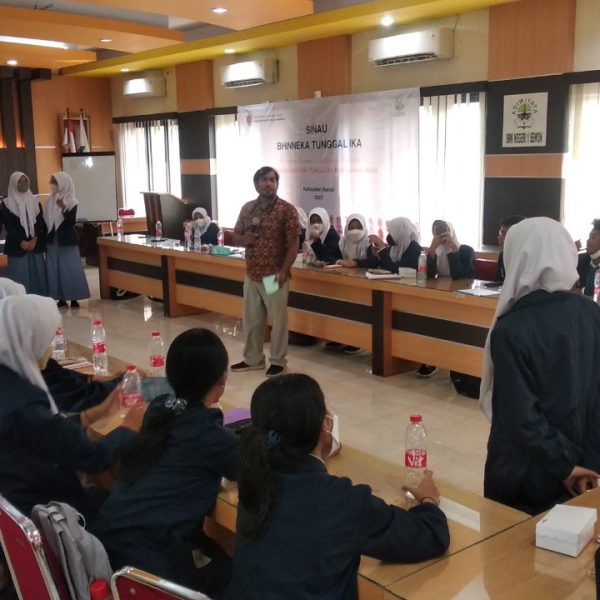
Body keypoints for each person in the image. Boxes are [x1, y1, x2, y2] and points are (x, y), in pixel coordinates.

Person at [226, 374, 449, 599]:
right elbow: (429, 536)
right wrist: (428, 501)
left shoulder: (254, 481)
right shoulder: (344, 501)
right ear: (323, 427)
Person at [92, 329, 238, 597]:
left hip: (105, 550)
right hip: (150, 566)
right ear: (222, 379)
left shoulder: (158, 410)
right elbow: (257, 471)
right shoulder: (210, 436)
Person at [480, 217, 600, 515]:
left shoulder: (511, 328)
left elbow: (522, 417)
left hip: (525, 474)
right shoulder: (592, 314)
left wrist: (565, 466)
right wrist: (587, 463)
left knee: (514, 542)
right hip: (584, 469)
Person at [0, 294, 144, 518]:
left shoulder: (8, 384)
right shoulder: (24, 401)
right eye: (46, 340)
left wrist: (91, 415)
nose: (48, 349)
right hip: (52, 512)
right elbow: (93, 458)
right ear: (28, 339)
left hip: (19, 498)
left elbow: (46, 433)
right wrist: (128, 428)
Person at [231, 166, 299, 377]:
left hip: (274, 276)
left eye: (272, 180)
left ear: (277, 183)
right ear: (256, 184)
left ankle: (278, 361)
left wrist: (283, 272)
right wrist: (244, 239)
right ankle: (253, 359)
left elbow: (293, 244)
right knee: (252, 320)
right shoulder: (248, 208)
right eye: (264, 180)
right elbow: (236, 235)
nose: (269, 183)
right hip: (252, 274)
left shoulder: (286, 210)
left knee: (278, 321)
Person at [44, 172, 90, 309]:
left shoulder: (72, 201)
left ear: (62, 183)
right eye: (52, 182)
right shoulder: (49, 200)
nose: (52, 185)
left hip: (67, 240)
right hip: (52, 239)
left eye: (54, 182)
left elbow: (71, 221)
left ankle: (74, 298)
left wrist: (63, 207)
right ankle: (61, 298)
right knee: (56, 269)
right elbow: (45, 220)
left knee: (70, 269)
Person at [0, 171, 47, 295]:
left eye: (25, 180)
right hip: (16, 247)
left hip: (35, 246)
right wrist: (22, 242)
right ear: (13, 183)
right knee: (19, 280)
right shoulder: (6, 203)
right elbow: (9, 226)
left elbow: (40, 222)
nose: (23, 183)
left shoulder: (34, 200)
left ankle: (37, 303)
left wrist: (34, 239)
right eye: (20, 181)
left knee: (38, 278)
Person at [495, 215, 525, 284]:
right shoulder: (503, 255)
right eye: (500, 233)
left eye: (504, 234)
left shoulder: (531, 258)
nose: (499, 237)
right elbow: (500, 281)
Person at [577, 218, 600, 297]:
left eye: (592, 237)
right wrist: (571, 251)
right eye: (589, 237)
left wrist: (579, 291)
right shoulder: (580, 259)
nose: (587, 241)